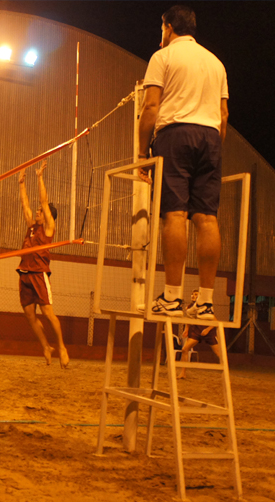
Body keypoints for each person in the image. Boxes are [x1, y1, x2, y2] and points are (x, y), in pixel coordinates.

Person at [137, 5, 229, 321]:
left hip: (175, 134)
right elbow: (224, 116)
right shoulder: (216, 63)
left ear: (169, 27)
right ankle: (204, 301)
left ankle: (173, 297)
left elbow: (150, 106)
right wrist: (214, 149)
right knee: (206, 218)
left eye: (161, 27)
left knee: (174, 214)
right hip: (211, 137)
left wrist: (141, 154)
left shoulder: (162, 57)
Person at [17, 160, 69, 368]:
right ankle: (46, 346)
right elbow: (25, 204)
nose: (37, 212)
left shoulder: (48, 229)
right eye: (38, 211)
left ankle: (62, 347)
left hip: (39, 273)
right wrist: (21, 183)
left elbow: (44, 202)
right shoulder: (31, 226)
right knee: (30, 315)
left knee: (47, 313)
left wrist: (39, 177)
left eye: (41, 211)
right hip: (24, 274)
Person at [178, 289, 222, 379]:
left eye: (196, 295)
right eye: (193, 294)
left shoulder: (204, 307)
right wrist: (186, 329)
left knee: (219, 354)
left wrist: (207, 329)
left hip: (208, 332)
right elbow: (189, 319)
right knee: (184, 349)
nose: (194, 296)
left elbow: (216, 321)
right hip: (197, 331)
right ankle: (183, 373)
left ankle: (225, 374)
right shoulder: (189, 308)